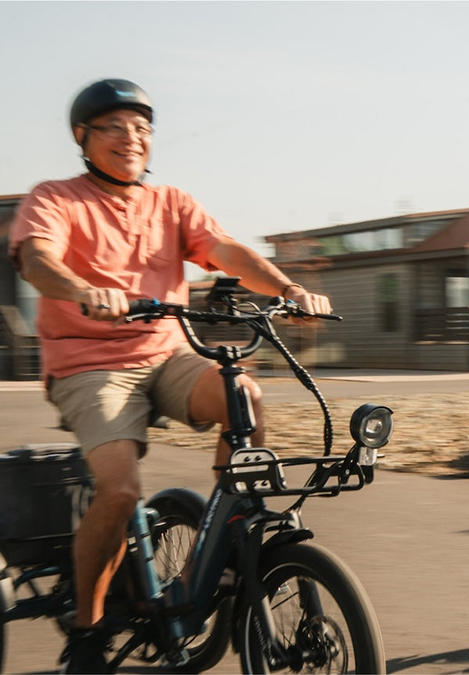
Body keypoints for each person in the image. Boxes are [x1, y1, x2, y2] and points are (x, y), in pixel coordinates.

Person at [8, 78, 332, 673]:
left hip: (166, 355)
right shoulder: (55, 197)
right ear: (83, 137)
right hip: (90, 363)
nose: (131, 139)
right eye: (113, 128)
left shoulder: (172, 203)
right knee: (122, 489)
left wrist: (288, 289)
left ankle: (229, 544)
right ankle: (87, 629)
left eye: (141, 129)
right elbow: (37, 258)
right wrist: (84, 292)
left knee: (247, 399)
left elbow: (227, 252)